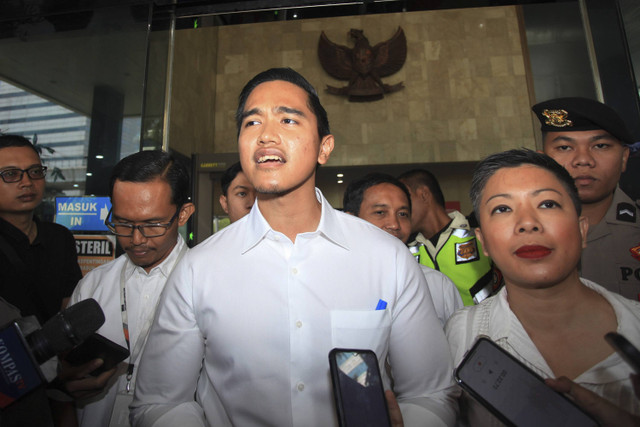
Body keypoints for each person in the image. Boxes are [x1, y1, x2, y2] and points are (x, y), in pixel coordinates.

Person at [131, 68, 457, 427]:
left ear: (324, 147)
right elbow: (160, 401)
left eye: (287, 119)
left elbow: (431, 392)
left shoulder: (387, 259)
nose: (267, 135)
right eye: (252, 123)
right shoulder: (199, 269)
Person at [445, 149, 640, 425]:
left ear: (582, 229)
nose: (527, 224)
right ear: (483, 241)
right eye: (502, 209)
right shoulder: (460, 335)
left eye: (547, 204)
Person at [64, 150, 195, 427]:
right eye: (123, 223)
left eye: (152, 224)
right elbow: (63, 377)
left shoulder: (208, 284)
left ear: (183, 214)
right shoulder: (92, 285)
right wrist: (66, 379)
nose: (136, 239)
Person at [533, 97, 640, 300]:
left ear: (624, 157)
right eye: (565, 147)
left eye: (600, 146)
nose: (583, 160)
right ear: (543, 161)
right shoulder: (517, 233)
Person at [343, 172, 463, 325]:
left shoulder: (437, 285)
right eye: (380, 212)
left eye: (403, 214)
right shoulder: (331, 282)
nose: (395, 224)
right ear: (351, 221)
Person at [0, 134, 81, 324]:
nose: (27, 182)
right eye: (11, 174)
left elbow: (69, 306)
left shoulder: (59, 238)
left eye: (35, 171)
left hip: (53, 351)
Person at [398, 169, 496, 306]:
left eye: (404, 199)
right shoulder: (405, 252)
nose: (400, 207)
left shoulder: (479, 234)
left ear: (424, 194)